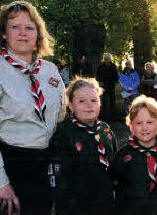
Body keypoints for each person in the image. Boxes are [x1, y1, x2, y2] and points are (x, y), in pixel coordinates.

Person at [0, 1, 65, 214]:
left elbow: (62, 113)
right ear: (3, 33)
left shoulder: (50, 71)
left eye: (29, 27)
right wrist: (2, 182)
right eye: (14, 27)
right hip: (11, 163)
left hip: (46, 163)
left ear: (38, 34)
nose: (22, 33)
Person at [50, 77, 116, 215]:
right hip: (76, 205)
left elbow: (114, 164)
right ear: (71, 106)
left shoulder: (106, 130)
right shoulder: (64, 133)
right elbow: (58, 176)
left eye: (94, 100)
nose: (89, 105)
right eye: (82, 101)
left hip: (105, 203)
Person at [112, 95, 157, 215]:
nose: (144, 128)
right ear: (131, 126)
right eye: (139, 123)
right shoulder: (123, 156)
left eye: (149, 122)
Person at [96, 53, 118, 121]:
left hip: (111, 86)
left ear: (110, 59)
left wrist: (114, 82)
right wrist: (100, 82)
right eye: (105, 59)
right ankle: (104, 117)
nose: (106, 60)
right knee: (104, 102)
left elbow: (116, 76)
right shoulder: (101, 66)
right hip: (103, 86)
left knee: (112, 102)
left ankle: (113, 117)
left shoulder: (114, 66)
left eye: (108, 59)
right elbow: (98, 76)